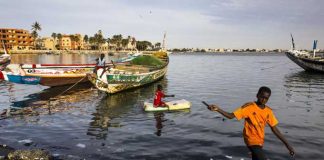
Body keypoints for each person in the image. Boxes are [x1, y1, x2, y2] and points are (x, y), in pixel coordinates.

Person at [207, 86, 295, 160]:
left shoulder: (268, 111)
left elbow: (275, 129)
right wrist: (218, 109)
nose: (263, 100)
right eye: (262, 97)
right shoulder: (249, 107)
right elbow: (230, 116)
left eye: (266, 98)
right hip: (251, 140)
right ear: (257, 95)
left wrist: (288, 145)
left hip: (260, 141)